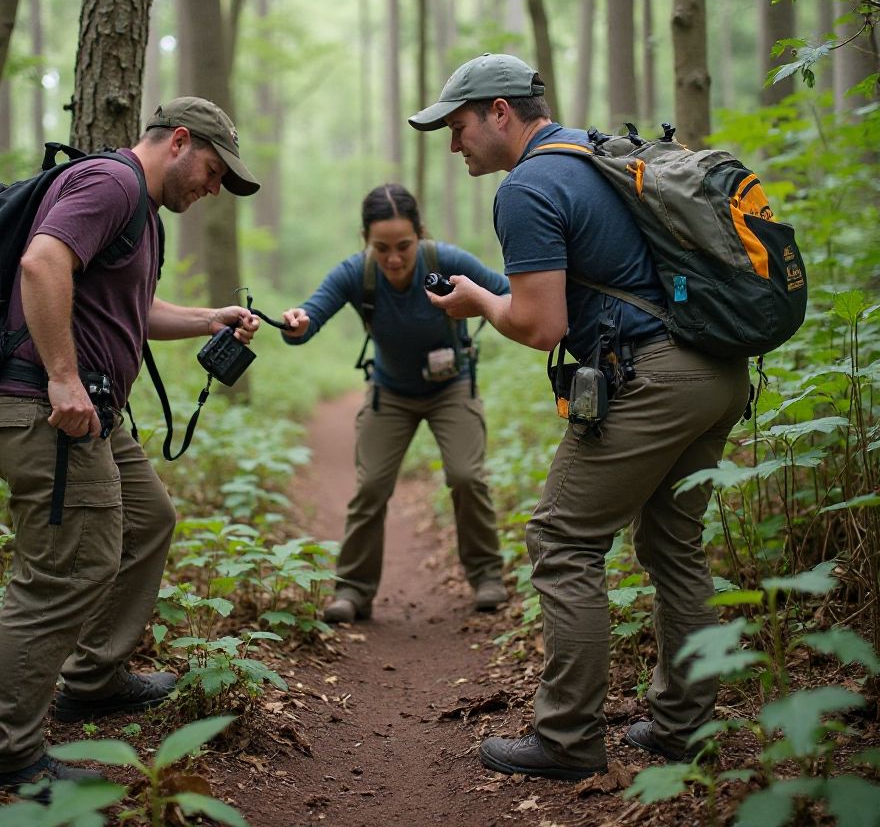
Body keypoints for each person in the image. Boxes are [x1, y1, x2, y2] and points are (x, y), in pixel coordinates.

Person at [408, 54, 750, 781]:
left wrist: (479, 301)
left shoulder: (529, 186)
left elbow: (538, 325)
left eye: (458, 125)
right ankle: (685, 727)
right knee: (674, 547)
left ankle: (566, 740)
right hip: (716, 369)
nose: (452, 142)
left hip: (653, 377)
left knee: (563, 539)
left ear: (500, 112)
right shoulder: (593, 154)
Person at [0, 97, 262, 796]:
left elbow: (132, 310)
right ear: (180, 142)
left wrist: (207, 318)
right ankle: (7, 756)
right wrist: (64, 379)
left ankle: (94, 679)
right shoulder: (113, 184)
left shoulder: (142, 213)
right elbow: (43, 265)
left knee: (148, 519)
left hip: (93, 412)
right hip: (41, 407)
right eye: (214, 171)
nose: (212, 188)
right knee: (67, 567)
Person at [279, 184, 510, 623]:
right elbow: (308, 319)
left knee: (466, 475)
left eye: (404, 246)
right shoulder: (355, 273)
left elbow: (509, 295)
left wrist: (481, 302)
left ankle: (486, 577)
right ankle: (352, 590)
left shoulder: (448, 262)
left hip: (451, 388)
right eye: (381, 247)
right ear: (365, 240)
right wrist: (296, 323)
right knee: (370, 488)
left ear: (420, 234)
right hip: (391, 392)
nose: (394, 259)